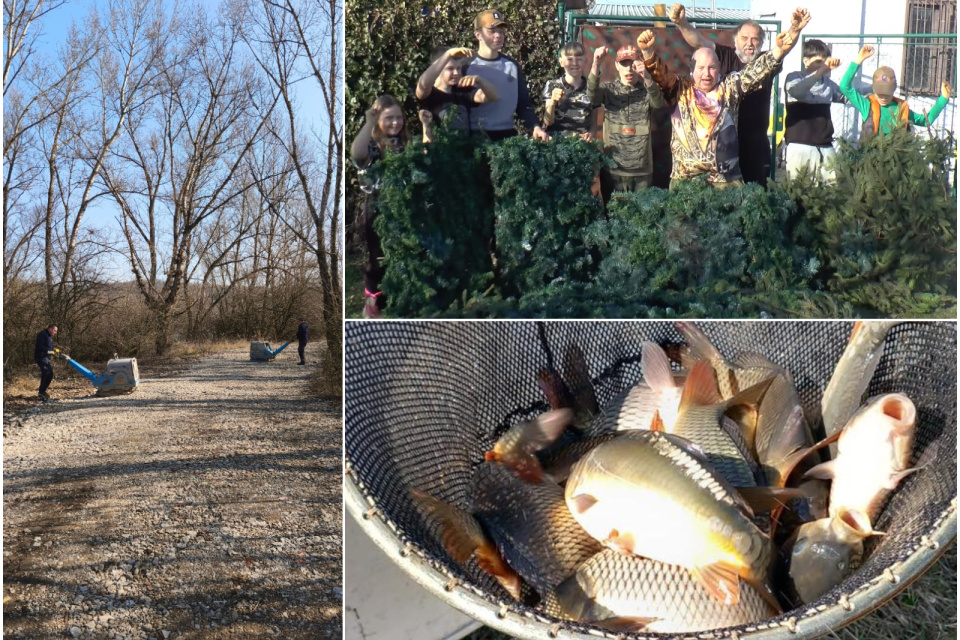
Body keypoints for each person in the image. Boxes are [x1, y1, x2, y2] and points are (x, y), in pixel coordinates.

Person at [669, 5, 812, 186]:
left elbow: (783, 49)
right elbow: (698, 41)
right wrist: (681, 23)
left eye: (755, 39)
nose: (749, 43)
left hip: (754, 142)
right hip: (723, 145)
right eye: (744, 38)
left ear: (760, 42)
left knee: (756, 195)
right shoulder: (724, 55)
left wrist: (795, 29)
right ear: (736, 40)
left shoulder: (765, 62)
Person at [639, 26, 799, 187]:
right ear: (692, 70)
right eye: (701, 68)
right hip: (686, 181)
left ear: (719, 69)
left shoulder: (730, 88)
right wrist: (647, 52)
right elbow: (661, 75)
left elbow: (755, 72)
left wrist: (778, 50)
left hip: (727, 181)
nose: (706, 74)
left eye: (712, 68)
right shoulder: (679, 89)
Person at [351, 95, 411, 318]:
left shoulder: (404, 144)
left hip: (402, 207)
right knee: (378, 258)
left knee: (401, 254)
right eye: (389, 118)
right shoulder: (372, 144)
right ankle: (374, 304)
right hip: (377, 207)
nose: (395, 122)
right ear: (378, 120)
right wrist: (368, 123)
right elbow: (356, 154)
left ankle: (399, 297)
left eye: (398, 117)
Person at [588, 44, 666, 200]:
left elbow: (658, 104)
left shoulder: (647, 91)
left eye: (633, 64)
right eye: (624, 64)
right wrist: (596, 64)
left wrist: (648, 77)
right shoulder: (608, 90)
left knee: (641, 219)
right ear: (617, 66)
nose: (629, 69)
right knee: (615, 217)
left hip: (642, 172)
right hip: (614, 170)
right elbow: (591, 97)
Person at [464, 9, 550, 141]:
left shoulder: (511, 66)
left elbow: (524, 105)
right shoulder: (466, 66)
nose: (498, 35)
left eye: (501, 31)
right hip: (474, 140)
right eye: (492, 31)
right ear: (478, 35)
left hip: (507, 139)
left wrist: (535, 127)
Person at [839, 45, 952, 141]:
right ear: (874, 90)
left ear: (893, 90)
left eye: (887, 95)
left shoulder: (901, 109)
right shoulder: (867, 105)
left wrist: (943, 98)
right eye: (880, 94)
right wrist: (858, 60)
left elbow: (925, 121)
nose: (883, 98)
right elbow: (844, 86)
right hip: (870, 162)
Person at [783, 39, 845, 180]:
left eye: (825, 62)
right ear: (806, 61)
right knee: (798, 194)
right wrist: (819, 73)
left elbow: (847, 96)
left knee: (831, 194)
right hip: (799, 146)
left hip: (825, 146)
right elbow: (796, 92)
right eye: (818, 62)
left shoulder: (828, 84)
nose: (823, 66)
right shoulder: (794, 77)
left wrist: (874, 89)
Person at [416, 45, 499, 142]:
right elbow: (423, 84)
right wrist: (448, 54)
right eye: (450, 68)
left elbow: (493, 96)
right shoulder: (430, 94)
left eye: (458, 68)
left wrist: (479, 80)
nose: (456, 73)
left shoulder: (462, 91)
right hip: (439, 153)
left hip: (463, 153)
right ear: (438, 69)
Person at [542, 41, 595, 138]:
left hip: (583, 145)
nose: (574, 63)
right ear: (561, 62)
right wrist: (552, 102)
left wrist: (590, 134)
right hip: (558, 144)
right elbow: (547, 121)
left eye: (579, 59)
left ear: (585, 61)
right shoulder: (552, 85)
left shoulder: (591, 87)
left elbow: (595, 122)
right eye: (569, 59)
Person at [34, 324, 58, 401]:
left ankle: (42, 391)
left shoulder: (49, 336)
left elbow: (48, 346)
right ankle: (41, 392)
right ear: (50, 329)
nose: (55, 332)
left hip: (46, 357)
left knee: (50, 373)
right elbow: (39, 346)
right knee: (46, 372)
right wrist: (49, 351)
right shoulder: (42, 334)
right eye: (54, 330)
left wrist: (54, 350)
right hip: (40, 357)